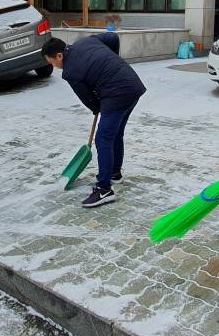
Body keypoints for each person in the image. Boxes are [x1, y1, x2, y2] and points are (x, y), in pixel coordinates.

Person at [42, 33, 146, 208]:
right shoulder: (85, 41)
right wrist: (111, 63)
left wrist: (98, 106)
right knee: (115, 133)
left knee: (103, 139)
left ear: (59, 55)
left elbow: (90, 100)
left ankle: (104, 190)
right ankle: (115, 174)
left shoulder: (70, 72)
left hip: (117, 93)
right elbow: (113, 38)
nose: (53, 65)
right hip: (133, 85)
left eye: (51, 62)